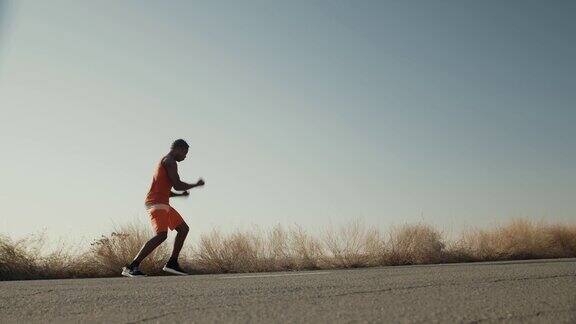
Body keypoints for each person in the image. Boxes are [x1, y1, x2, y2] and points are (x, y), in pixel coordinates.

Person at [122, 139, 205, 277]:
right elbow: (177, 184)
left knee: (183, 229)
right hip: (156, 202)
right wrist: (195, 185)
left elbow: (166, 189)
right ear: (178, 149)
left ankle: (172, 263)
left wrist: (179, 196)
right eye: (185, 153)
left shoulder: (167, 162)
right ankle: (131, 266)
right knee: (161, 235)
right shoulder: (170, 161)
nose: (185, 157)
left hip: (162, 202)